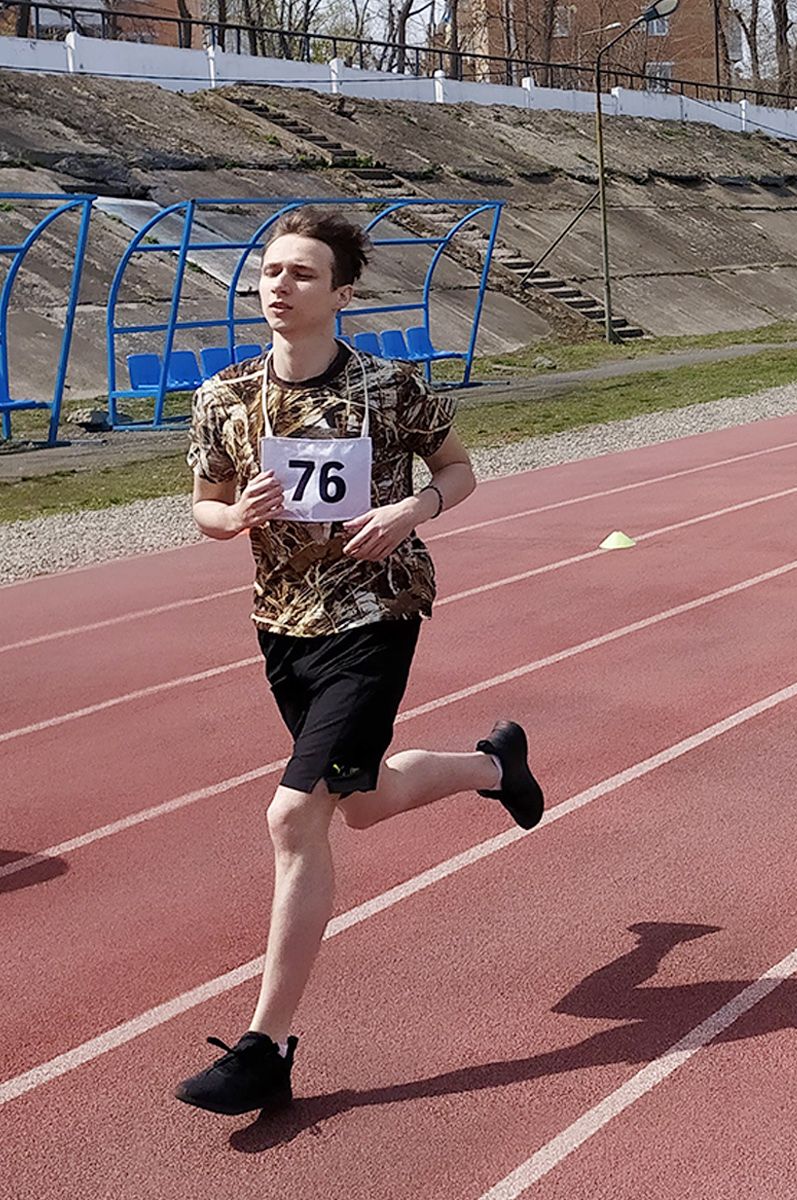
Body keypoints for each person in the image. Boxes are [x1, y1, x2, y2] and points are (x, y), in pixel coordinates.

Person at [176, 207, 545, 1115]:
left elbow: (460, 471)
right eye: (269, 271)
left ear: (341, 293)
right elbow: (204, 510)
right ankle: (493, 765)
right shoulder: (224, 396)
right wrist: (242, 516)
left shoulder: (389, 387)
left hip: (378, 613)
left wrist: (408, 514)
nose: (278, 287)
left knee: (295, 817)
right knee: (365, 804)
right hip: (282, 623)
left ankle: (266, 1044)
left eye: (301, 274)